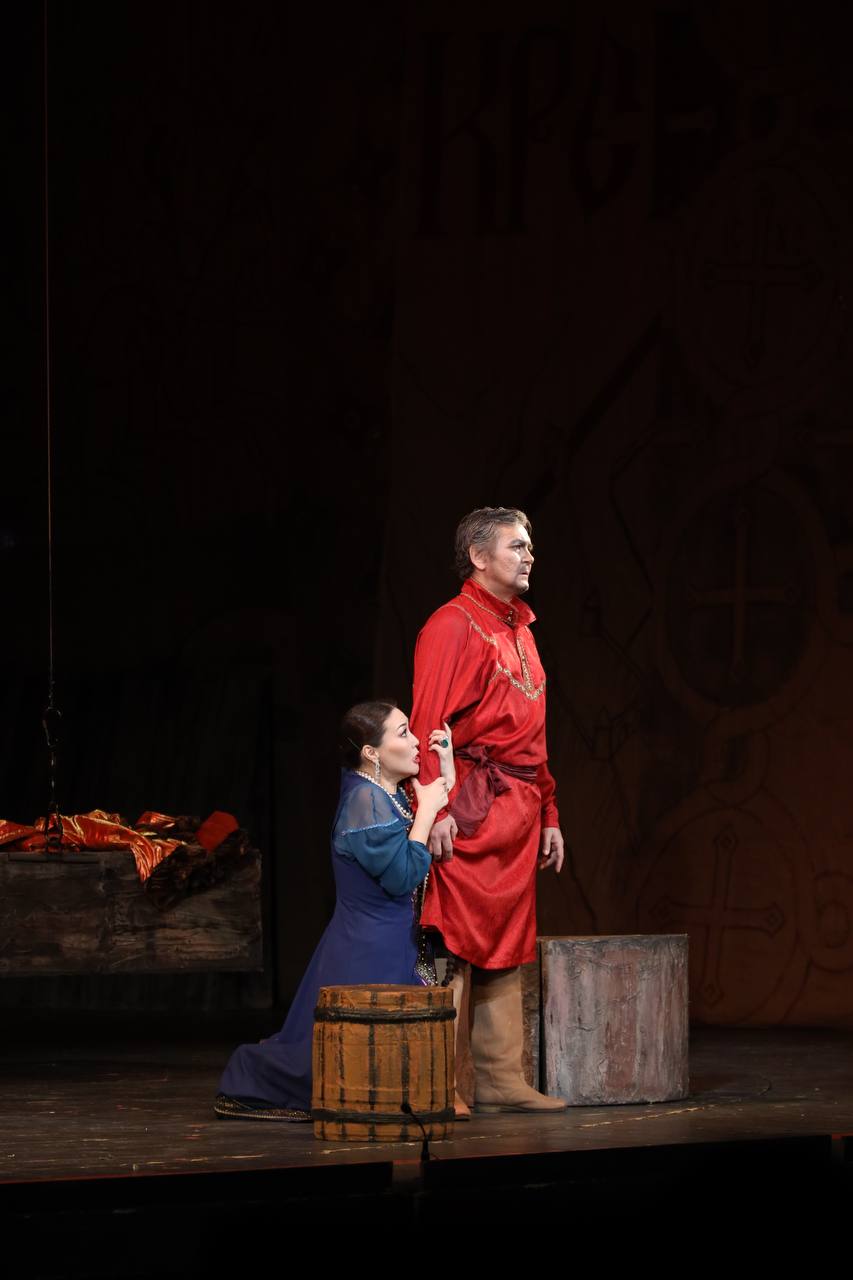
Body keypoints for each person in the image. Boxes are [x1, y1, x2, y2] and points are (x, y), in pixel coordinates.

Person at [214, 700, 453, 1120]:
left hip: (387, 939)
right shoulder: (365, 802)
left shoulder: (384, 793)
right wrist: (429, 811)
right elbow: (401, 877)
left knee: (372, 1050)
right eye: (403, 733)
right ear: (371, 752)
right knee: (332, 1056)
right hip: (367, 949)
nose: (417, 741)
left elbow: (419, 828)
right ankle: (249, 1077)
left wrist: (446, 770)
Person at [410, 507, 567, 1116]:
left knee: (508, 936)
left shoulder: (521, 628)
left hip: (519, 809)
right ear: (478, 557)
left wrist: (549, 812)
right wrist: (435, 807)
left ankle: (502, 1078)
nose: (530, 556)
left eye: (531, 546)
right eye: (516, 546)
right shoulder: (453, 624)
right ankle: (444, 1084)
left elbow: (533, 737)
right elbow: (428, 720)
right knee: (456, 937)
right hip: (471, 805)